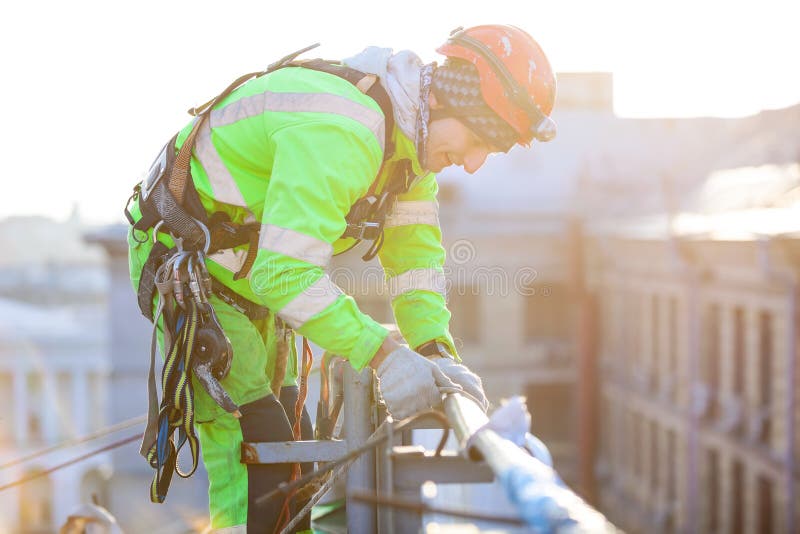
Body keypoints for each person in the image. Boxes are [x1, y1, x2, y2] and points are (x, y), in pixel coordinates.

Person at [125, 24, 556, 533]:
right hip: (192, 269)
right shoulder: (344, 132)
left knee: (294, 439)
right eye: (479, 139)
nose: (475, 163)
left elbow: (415, 265)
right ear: (445, 98)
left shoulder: (408, 154)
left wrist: (437, 350)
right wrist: (384, 354)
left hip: (243, 273)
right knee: (257, 446)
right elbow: (283, 272)